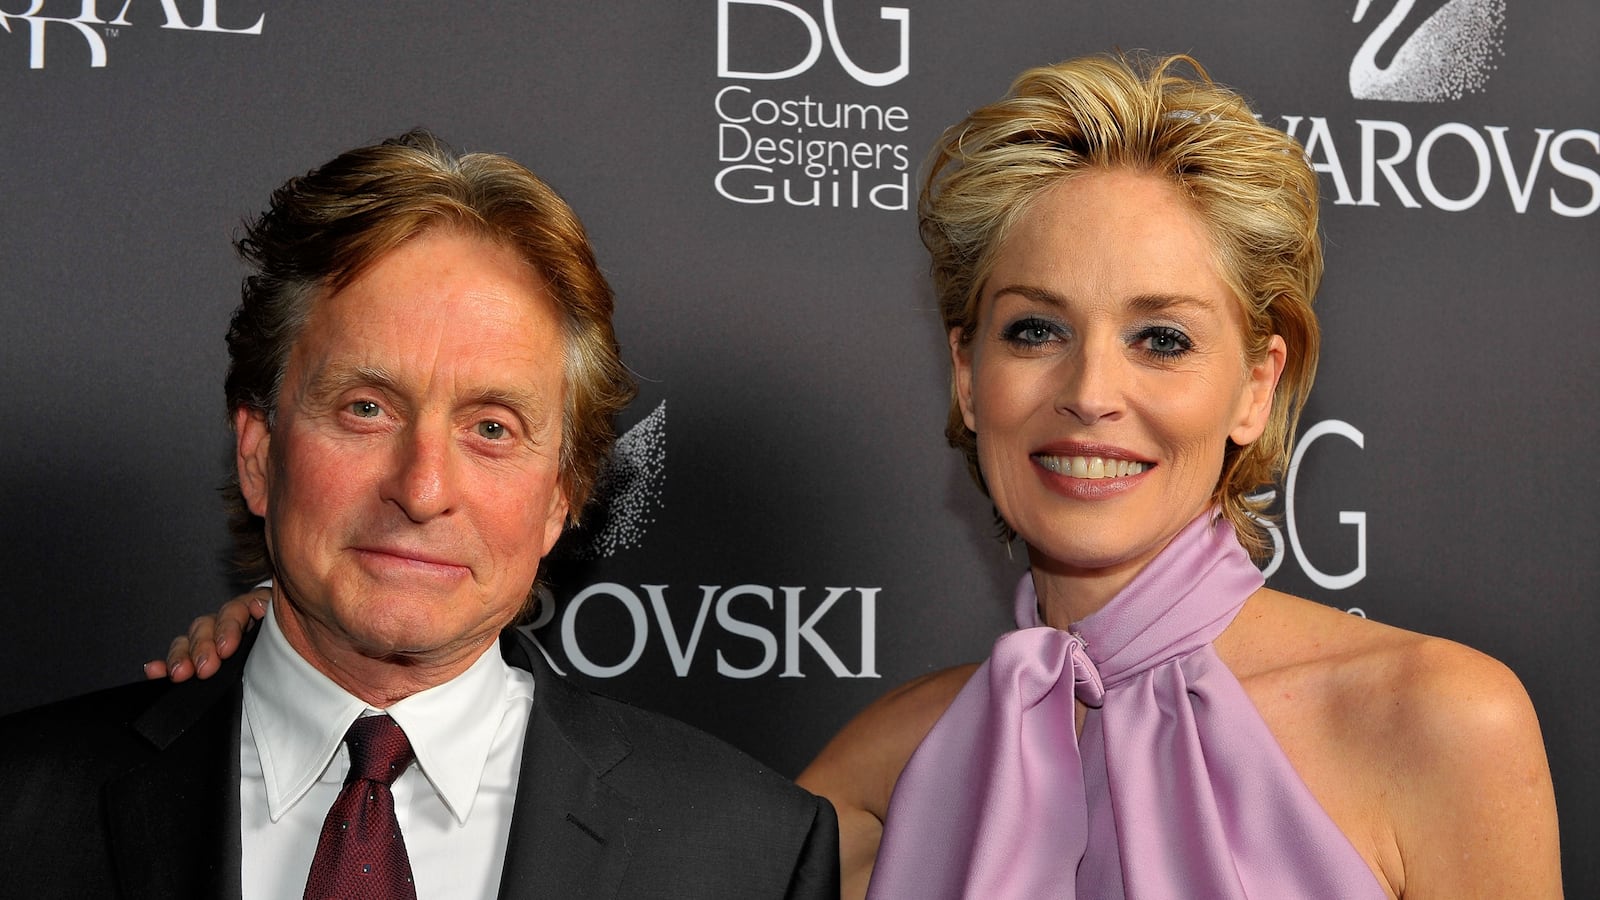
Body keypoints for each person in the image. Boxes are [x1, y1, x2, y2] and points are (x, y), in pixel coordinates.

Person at [148, 55, 1565, 899]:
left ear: (1257, 381)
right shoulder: (881, 772)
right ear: (966, 375)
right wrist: (302, 657)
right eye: (1032, 332)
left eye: (1161, 338)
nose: (1089, 393)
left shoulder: (1440, 725)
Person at [0, 130, 838, 899]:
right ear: (260, 455)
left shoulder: (752, 854)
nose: (424, 486)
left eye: (491, 428)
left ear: (559, 498)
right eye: (367, 409)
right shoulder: (22, 813)